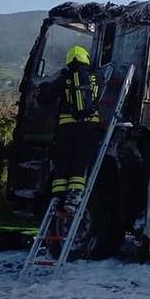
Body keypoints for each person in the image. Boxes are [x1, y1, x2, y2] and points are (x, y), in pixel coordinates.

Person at [46, 45, 104, 212]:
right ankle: (74, 197)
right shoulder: (95, 77)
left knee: (63, 162)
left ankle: (57, 199)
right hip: (89, 127)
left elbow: (46, 98)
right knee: (81, 161)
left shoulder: (66, 78)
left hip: (66, 128)